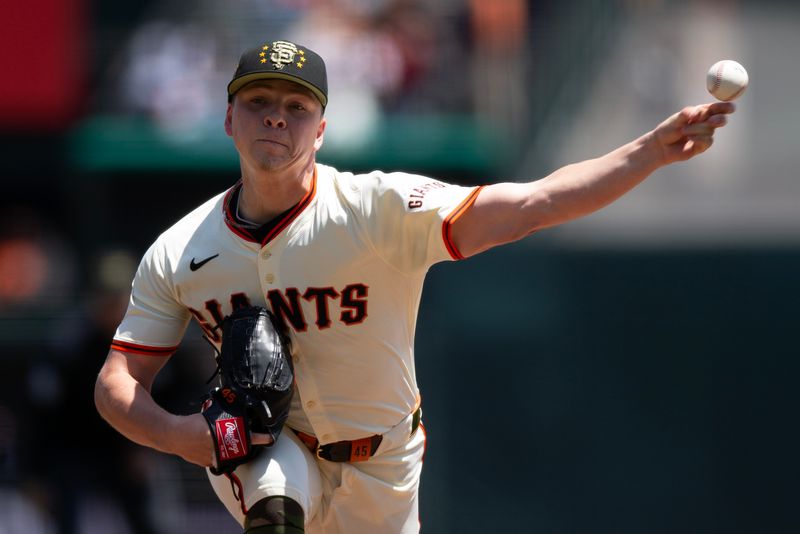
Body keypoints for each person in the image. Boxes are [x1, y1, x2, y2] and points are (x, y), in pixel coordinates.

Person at [94, 38, 735, 534]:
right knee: (273, 502)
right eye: (259, 102)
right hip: (269, 442)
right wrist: (180, 436)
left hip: (385, 462)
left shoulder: (377, 209)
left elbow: (533, 203)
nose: (276, 119)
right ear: (229, 117)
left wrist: (649, 151)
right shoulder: (181, 249)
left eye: (296, 106)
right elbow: (117, 383)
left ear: (321, 129)